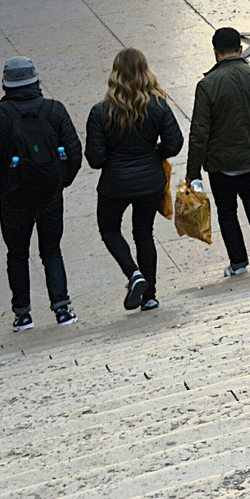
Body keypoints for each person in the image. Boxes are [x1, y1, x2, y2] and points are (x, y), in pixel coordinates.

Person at [0, 57, 82, 331]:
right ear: (36, 80)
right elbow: (74, 151)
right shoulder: (54, 110)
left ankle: (23, 314)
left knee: (16, 254)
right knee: (51, 250)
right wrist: (61, 182)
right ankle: (62, 309)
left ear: (5, 85)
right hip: (49, 196)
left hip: (13, 200)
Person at [85, 48, 182, 314]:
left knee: (109, 229)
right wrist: (153, 155)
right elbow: (175, 143)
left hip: (114, 184)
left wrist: (115, 160)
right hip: (150, 181)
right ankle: (149, 295)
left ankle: (133, 274)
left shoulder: (100, 111)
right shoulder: (159, 105)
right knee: (144, 234)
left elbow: (95, 158)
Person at [188, 28, 250, 277]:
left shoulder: (207, 86)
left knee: (227, 211)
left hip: (221, 164)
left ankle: (238, 263)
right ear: (240, 50)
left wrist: (192, 172)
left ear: (216, 52)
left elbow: (199, 134)